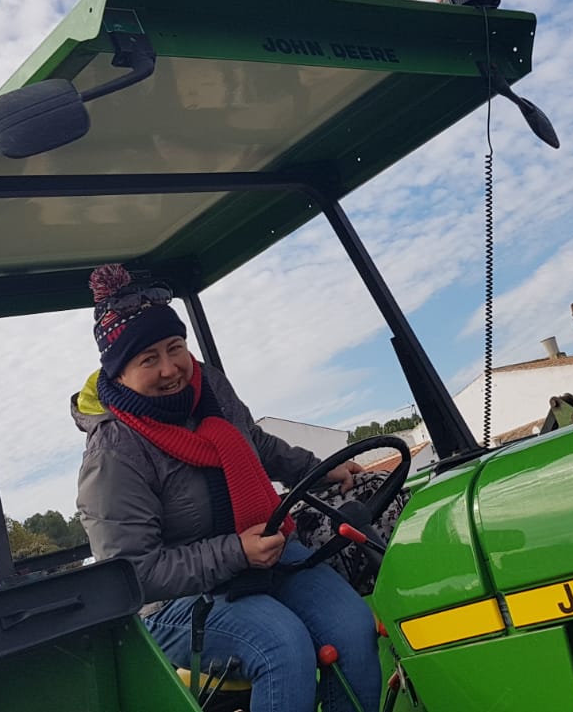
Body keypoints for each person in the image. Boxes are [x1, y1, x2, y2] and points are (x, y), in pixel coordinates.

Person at [73, 264, 379, 712]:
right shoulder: (114, 452)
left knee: (353, 626)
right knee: (283, 646)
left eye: (174, 348)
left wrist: (319, 469)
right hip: (173, 599)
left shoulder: (208, 384)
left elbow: (252, 442)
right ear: (118, 373)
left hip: (263, 550)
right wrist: (235, 552)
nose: (170, 369)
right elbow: (133, 573)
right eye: (147, 359)